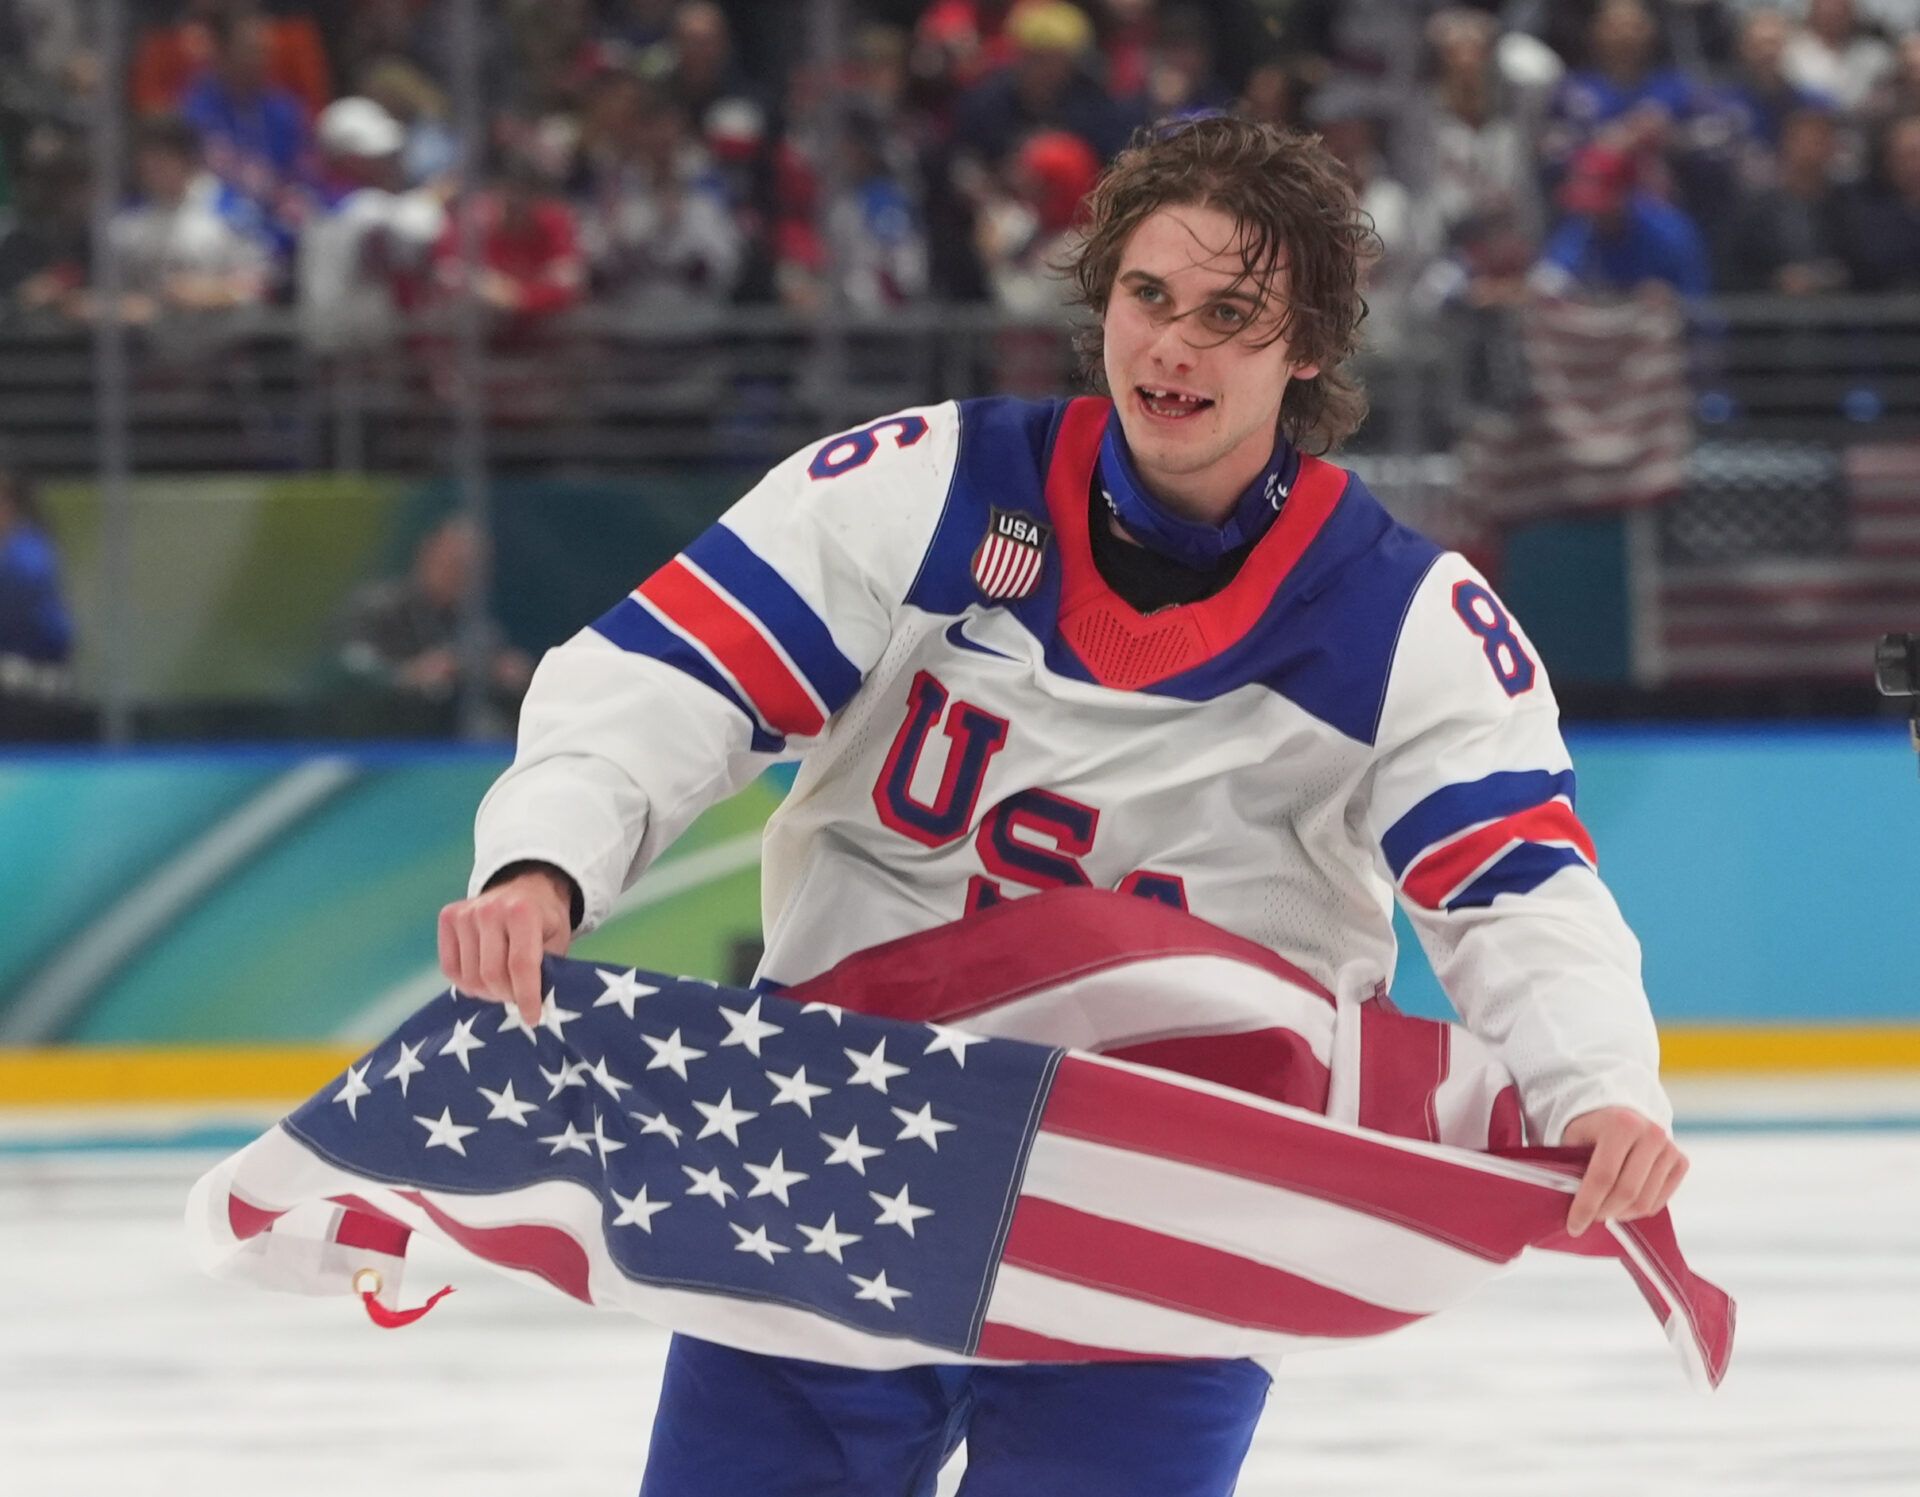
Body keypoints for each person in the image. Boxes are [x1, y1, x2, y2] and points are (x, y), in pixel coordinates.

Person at [438, 116, 1688, 1496]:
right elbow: (671, 674)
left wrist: (1596, 1081)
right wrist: (544, 862)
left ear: (1311, 348)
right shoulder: (922, 487)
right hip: (849, 1130)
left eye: (1232, 317)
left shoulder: (1406, 618)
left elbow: (1516, 887)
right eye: (1149, 298)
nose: (1174, 348)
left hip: (1170, 1188)